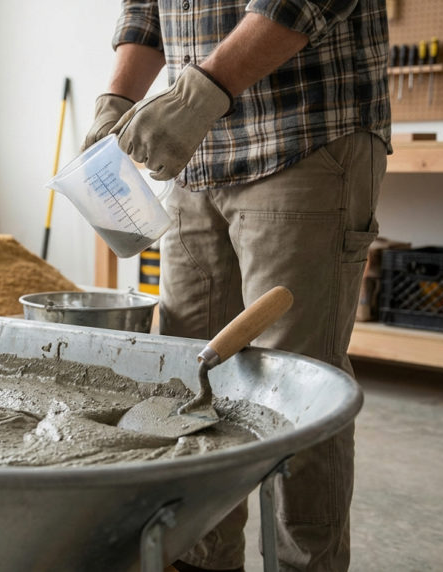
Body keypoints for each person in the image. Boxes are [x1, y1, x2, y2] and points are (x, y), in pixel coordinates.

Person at [84, 1, 391, 571]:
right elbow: (146, 9)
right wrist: (119, 101)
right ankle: (204, 560)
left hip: (304, 135)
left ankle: (306, 565)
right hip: (195, 156)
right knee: (192, 373)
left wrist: (199, 91)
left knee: (298, 382)